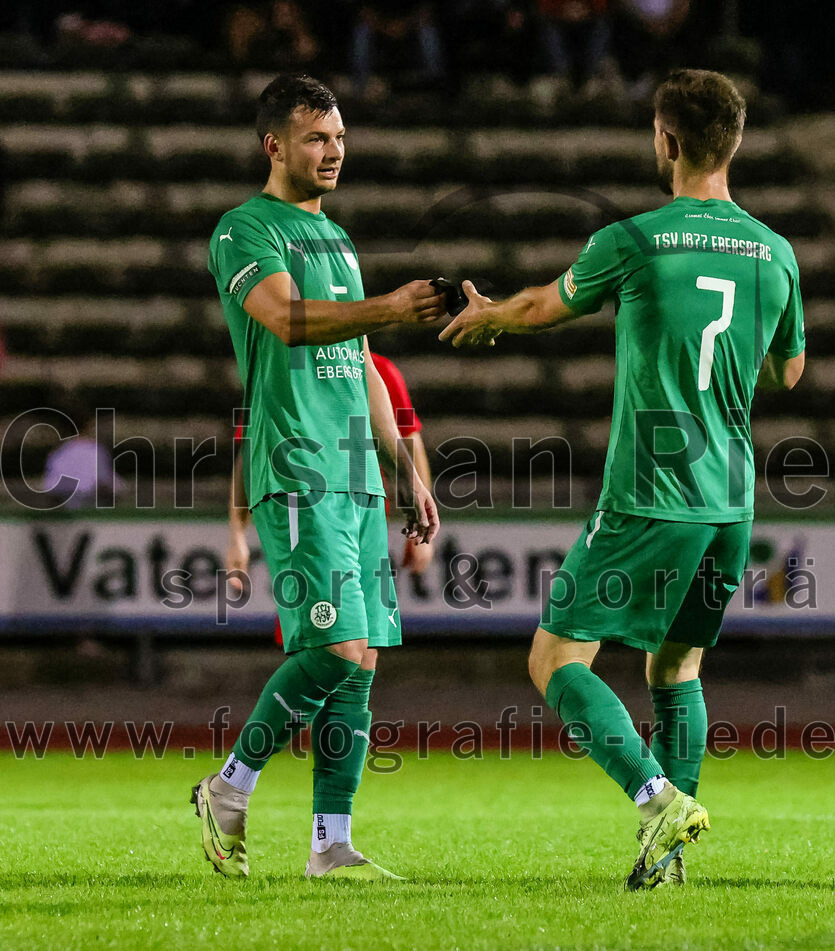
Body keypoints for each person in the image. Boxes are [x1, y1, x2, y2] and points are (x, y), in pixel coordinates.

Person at [441, 68, 805, 889]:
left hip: (651, 494)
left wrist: (491, 314)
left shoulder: (636, 240)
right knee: (675, 670)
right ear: (735, 143)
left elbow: (543, 305)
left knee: (554, 657)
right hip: (730, 501)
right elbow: (790, 370)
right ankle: (669, 860)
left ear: (665, 140)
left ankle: (654, 797)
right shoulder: (777, 255)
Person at [195, 72, 443, 882]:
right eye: (316, 138)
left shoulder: (336, 238)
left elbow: (361, 363)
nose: (333, 151)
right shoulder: (244, 229)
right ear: (275, 145)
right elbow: (289, 320)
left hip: (355, 475)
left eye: (338, 137)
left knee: (363, 657)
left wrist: (406, 466)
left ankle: (330, 843)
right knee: (334, 646)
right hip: (297, 464)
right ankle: (229, 788)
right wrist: (393, 306)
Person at [226, 350, 436, 647]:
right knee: (321, 645)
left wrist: (419, 528)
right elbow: (249, 454)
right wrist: (237, 533)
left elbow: (410, 443)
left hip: (367, 525)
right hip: (308, 525)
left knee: (368, 646)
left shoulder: (380, 371)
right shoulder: (282, 368)